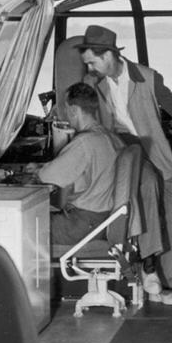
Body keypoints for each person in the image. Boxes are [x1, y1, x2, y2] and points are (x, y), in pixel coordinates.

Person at [77, 24, 172, 306]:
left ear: (108, 55)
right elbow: (84, 115)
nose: (90, 68)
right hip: (124, 154)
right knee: (147, 187)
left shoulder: (147, 77)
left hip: (157, 154)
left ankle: (161, 286)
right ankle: (150, 269)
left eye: (93, 62)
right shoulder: (94, 84)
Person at [35, 83, 124, 248]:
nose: (65, 112)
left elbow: (44, 177)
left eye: (65, 107)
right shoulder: (111, 138)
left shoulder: (85, 142)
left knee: (24, 225)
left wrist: (35, 170)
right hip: (103, 220)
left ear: (74, 110)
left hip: (84, 225)